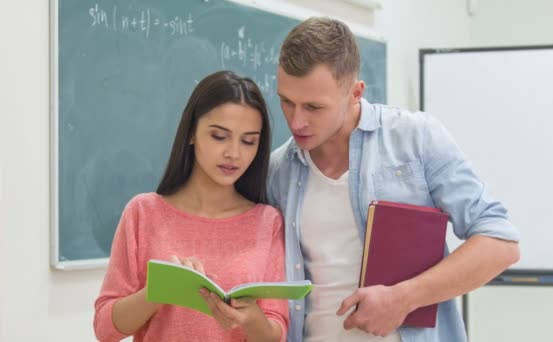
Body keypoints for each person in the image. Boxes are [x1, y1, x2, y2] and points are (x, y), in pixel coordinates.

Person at [267, 17, 521, 342]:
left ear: (355, 93)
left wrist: (404, 298)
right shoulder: (277, 171)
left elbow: (501, 244)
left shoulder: (416, 139)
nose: (296, 120)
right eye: (286, 101)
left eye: (314, 107)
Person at [94, 70, 288, 342]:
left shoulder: (267, 221)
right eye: (219, 136)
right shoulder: (143, 212)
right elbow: (105, 327)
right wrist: (158, 291)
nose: (233, 153)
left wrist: (252, 319)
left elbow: (276, 332)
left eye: (248, 141)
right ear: (192, 133)